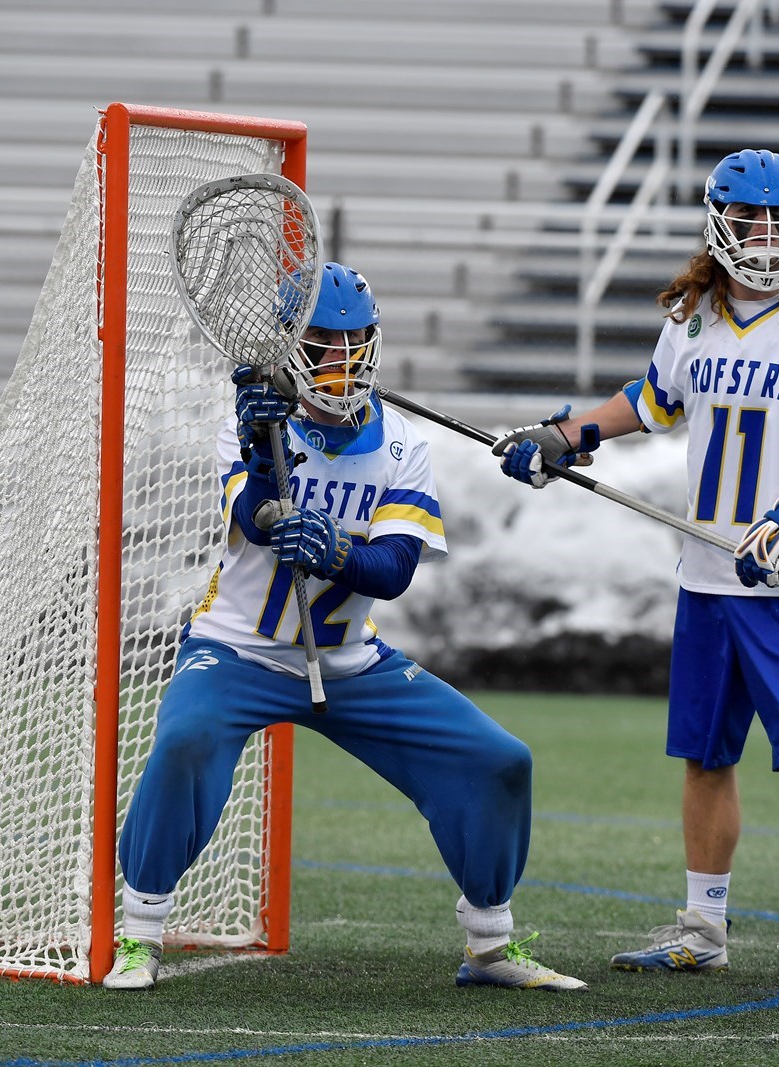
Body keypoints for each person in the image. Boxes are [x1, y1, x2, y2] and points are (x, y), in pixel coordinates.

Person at [103, 262, 587, 993]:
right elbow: (256, 517)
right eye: (326, 342)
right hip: (238, 650)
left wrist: (334, 550)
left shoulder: (402, 445)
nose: (346, 358)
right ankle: (139, 931)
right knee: (184, 739)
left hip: (349, 659)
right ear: (292, 345)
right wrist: (261, 443)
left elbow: (393, 568)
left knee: (499, 759)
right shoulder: (244, 421)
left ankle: (489, 944)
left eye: (358, 341)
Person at [493, 149, 779, 990]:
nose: (765, 234)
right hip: (708, 584)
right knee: (706, 757)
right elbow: (647, 402)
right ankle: (703, 926)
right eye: (749, 219)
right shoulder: (694, 319)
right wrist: (562, 437)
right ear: (718, 223)